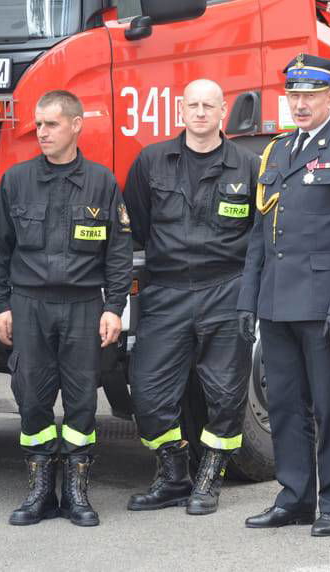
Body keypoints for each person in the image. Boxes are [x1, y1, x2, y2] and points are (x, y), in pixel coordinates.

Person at [237, 53, 330, 537]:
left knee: (329, 406)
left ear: (329, 99)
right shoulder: (276, 151)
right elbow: (260, 235)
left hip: (322, 305)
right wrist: (247, 300)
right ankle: (295, 496)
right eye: (293, 95)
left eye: (310, 95)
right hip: (277, 303)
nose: (299, 103)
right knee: (283, 405)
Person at [0, 90, 133, 527]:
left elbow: (118, 254)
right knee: (31, 397)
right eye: (39, 125)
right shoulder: (17, 180)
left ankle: (76, 493)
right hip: (29, 306)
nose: (42, 133)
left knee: (83, 402)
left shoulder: (102, 183)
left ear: (75, 125)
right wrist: (0, 306)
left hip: (84, 306)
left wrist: (114, 308)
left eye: (51, 124)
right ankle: (39, 492)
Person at [123, 79, 259, 515]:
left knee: (225, 392)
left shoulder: (247, 164)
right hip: (167, 292)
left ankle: (209, 478)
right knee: (147, 391)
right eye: (193, 105)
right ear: (180, 110)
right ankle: (174, 474)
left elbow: (260, 236)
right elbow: (137, 226)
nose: (200, 113)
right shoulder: (151, 161)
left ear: (223, 112)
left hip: (227, 289)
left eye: (209, 106)